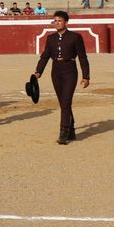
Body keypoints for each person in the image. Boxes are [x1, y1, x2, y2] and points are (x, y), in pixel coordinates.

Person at [34, 11, 90, 145]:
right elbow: (45, 56)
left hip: (70, 70)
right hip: (56, 71)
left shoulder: (75, 37)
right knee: (63, 103)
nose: (57, 23)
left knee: (65, 102)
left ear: (66, 22)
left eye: (59, 20)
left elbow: (82, 57)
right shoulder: (51, 38)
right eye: (55, 21)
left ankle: (63, 132)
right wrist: (38, 71)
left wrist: (86, 76)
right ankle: (71, 129)